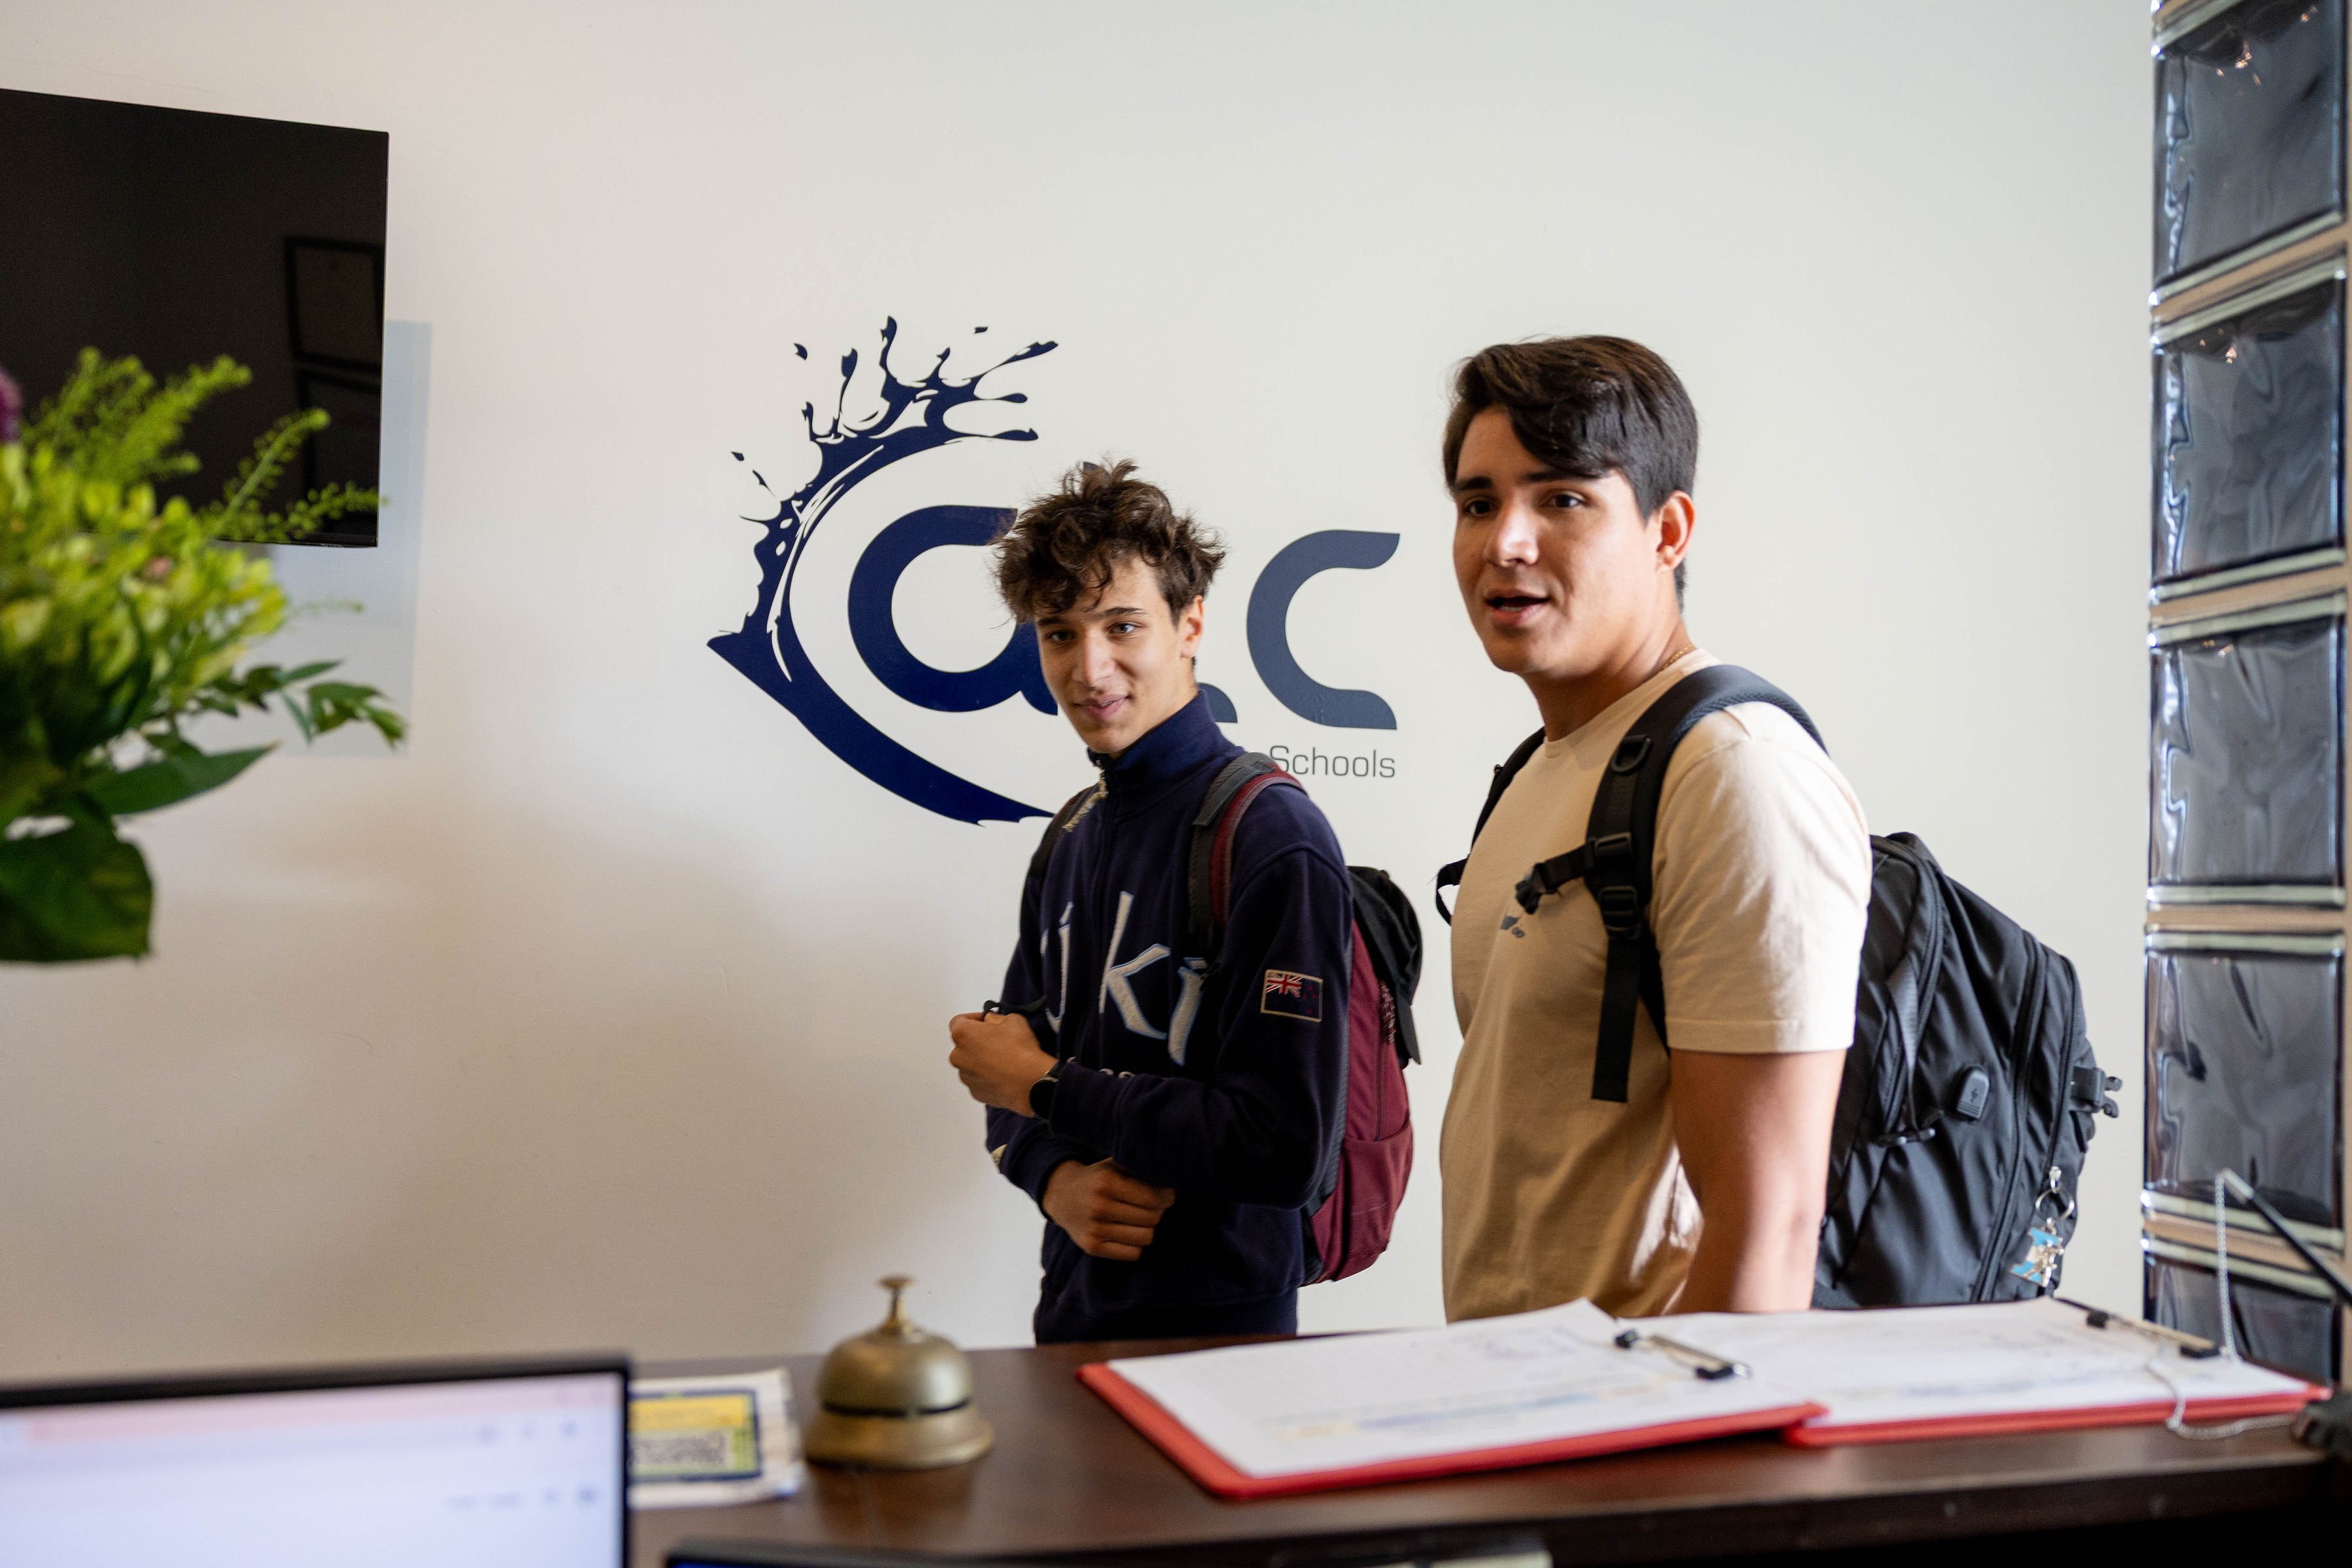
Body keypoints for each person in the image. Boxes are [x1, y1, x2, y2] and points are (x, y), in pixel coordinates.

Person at [1439, 336, 1870, 1320]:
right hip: (1514, 1414)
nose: (1506, 540)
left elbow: (1771, 1233)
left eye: (1562, 499)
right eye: (1478, 502)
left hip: (1635, 1442)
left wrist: (1675, 1467)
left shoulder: (1731, 771)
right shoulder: (1547, 766)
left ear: (1669, 530)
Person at [946, 459, 1352, 1344]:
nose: (1090, 668)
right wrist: (1052, 1175)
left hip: (1226, 1336)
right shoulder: (1074, 832)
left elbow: (1286, 1148)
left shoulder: (1273, 836)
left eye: (1122, 625)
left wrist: (1050, 1093)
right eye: (1059, 634)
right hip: (1071, 1314)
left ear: (1189, 624)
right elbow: (1003, 1067)